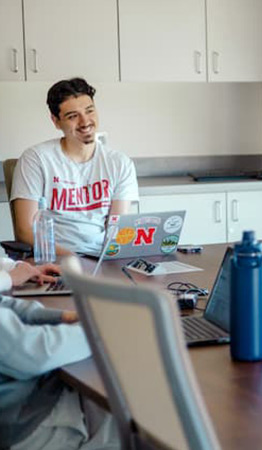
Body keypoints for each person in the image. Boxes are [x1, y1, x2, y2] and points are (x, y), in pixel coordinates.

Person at [11, 77, 139, 257]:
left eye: (89, 111)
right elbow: (25, 231)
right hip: (53, 259)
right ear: (55, 121)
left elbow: (117, 230)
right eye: (73, 116)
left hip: (101, 259)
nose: (85, 122)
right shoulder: (36, 159)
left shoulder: (120, 163)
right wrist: (74, 260)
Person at [0, 255, 117, 448]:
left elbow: (9, 306)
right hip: (24, 420)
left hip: (32, 395)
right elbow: (32, 353)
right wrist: (97, 332)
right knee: (140, 418)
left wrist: (64, 317)